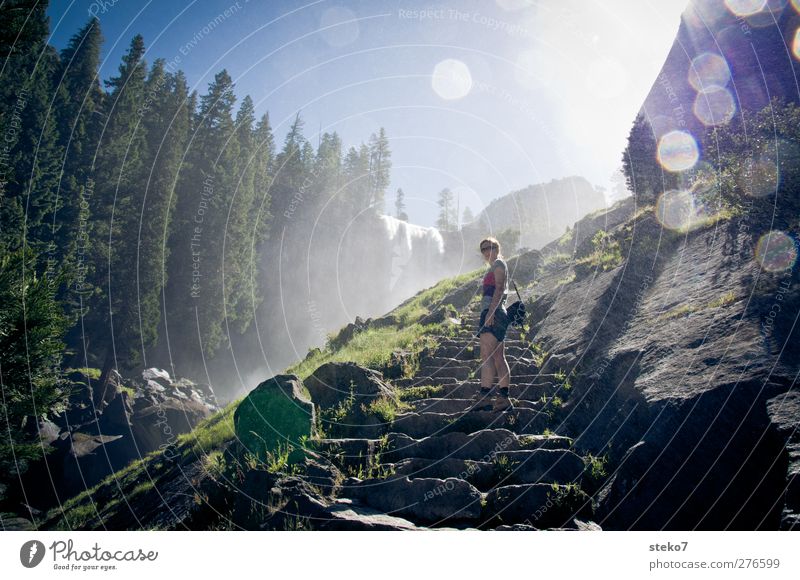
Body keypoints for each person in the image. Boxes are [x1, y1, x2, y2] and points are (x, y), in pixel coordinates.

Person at [475, 237, 512, 409]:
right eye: (483, 249)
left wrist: (490, 311)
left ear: (497, 248)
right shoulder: (497, 265)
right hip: (498, 313)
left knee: (486, 356)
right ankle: (503, 398)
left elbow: (499, 287)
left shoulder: (498, 264)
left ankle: (485, 397)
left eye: (489, 247)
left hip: (493, 312)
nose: (486, 252)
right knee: (498, 357)